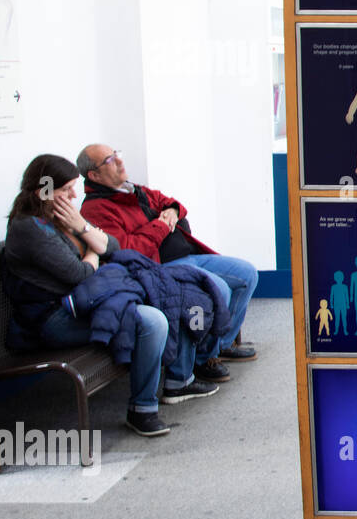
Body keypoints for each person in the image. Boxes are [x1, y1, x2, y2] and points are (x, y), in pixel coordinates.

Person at [2, 155, 194, 437]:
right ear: (41, 190)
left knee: (163, 299)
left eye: (73, 187)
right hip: (49, 319)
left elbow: (113, 247)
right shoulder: (30, 228)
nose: (72, 195)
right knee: (151, 322)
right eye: (65, 189)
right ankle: (143, 409)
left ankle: (172, 384)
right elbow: (80, 274)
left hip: (81, 305)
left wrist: (82, 227)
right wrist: (93, 249)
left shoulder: (60, 218)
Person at [75, 145, 258, 383]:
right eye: (110, 160)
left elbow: (171, 203)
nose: (119, 161)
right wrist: (161, 225)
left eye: (117, 154)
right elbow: (129, 249)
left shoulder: (132, 189)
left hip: (188, 255)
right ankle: (204, 359)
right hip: (157, 268)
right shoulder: (95, 209)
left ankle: (219, 346)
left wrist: (171, 210)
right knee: (218, 288)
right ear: (94, 175)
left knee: (248, 275)